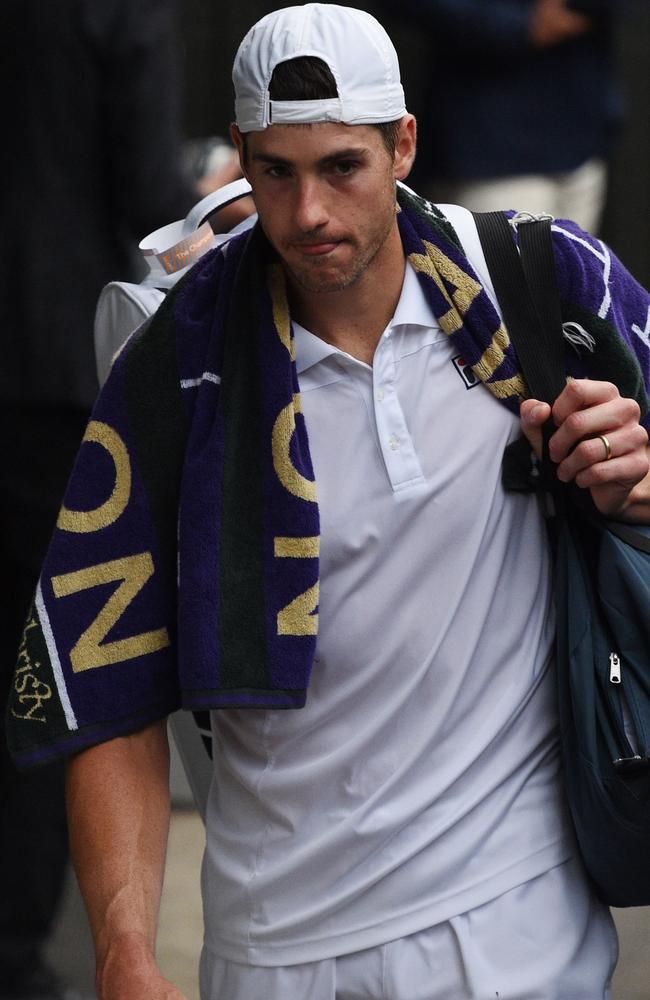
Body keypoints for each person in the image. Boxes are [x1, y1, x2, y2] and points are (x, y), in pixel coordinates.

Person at [6, 5, 650, 999]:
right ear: (238, 159)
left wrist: (637, 486)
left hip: (516, 922)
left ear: (402, 144)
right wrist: (126, 950)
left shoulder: (544, 281)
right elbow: (106, 678)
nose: (306, 211)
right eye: (275, 171)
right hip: (275, 945)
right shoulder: (176, 368)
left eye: (340, 167)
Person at [0, 1, 241, 997]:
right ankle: (15, 947)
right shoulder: (118, 13)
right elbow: (150, 200)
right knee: (49, 657)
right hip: (54, 366)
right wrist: (220, 196)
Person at [379, 0, 622, 234]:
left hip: (582, 138)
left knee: (576, 271)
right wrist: (518, 23)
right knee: (499, 271)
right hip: (492, 143)